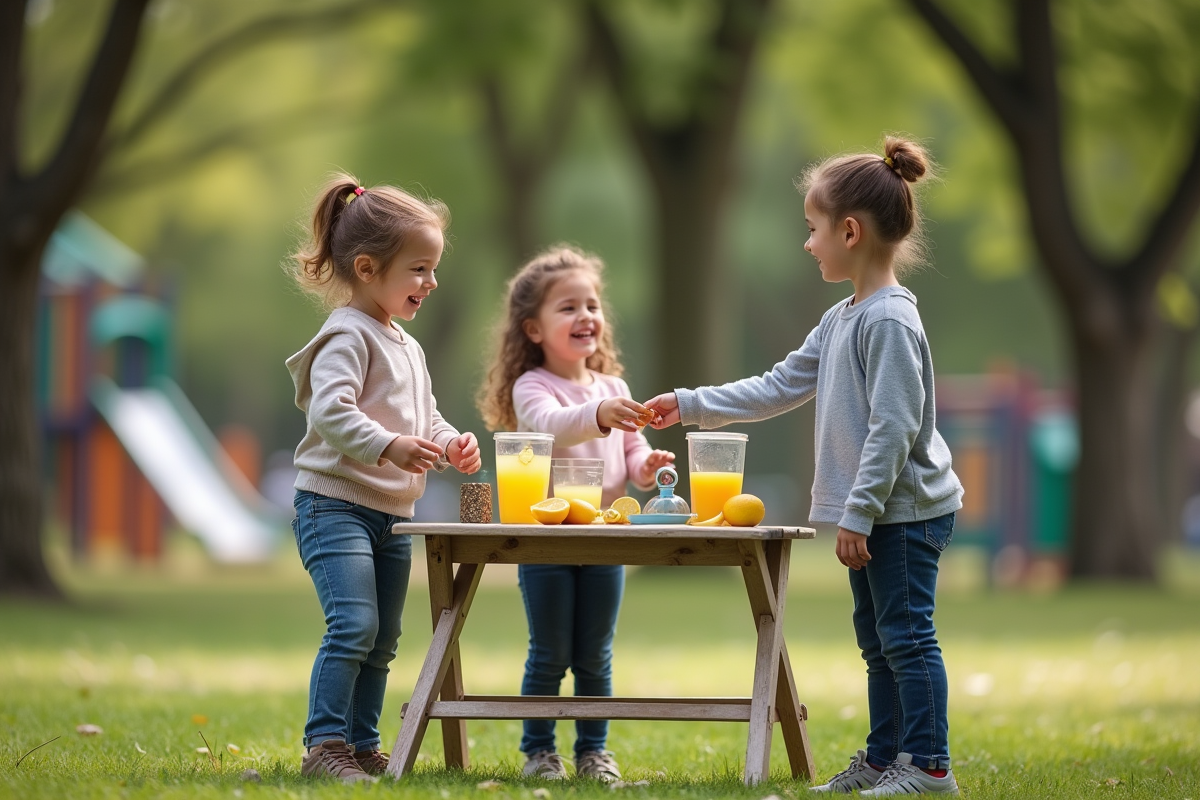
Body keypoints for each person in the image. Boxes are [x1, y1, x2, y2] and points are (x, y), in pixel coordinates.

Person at [646, 137, 964, 795]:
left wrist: (858, 512)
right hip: (876, 514)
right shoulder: (842, 318)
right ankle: (884, 761)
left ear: (850, 231)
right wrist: (686, 404)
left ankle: (929, 767)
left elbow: (894, 429)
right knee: (879, 643)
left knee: (906, 638)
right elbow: (775, 387)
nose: (807, 243)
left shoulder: (890, 321)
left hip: (903, 512)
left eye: (813, 229)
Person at [286, 175, 482, 782]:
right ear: (368, 268)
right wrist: (390, 445)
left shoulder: (407, 344)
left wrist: (447, 440)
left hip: (392, 513)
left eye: (434, 268)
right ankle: (324, 746)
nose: (431, 281)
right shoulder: (347, 333)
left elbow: (424, 413)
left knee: (383, 637)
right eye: (419, 269)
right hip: (333, 505)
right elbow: (331, 411)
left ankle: (364, 745)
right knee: (354, 624)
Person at [477, 245, 674, 781]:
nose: (585, 315)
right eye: (567, 307)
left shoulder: (615, 389)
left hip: (607, 539)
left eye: (591, 305)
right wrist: (601, 416)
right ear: (533, 329)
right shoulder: (532, 386)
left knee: (594, 653)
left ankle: (593, 751)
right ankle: (539, 750)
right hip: (546, 539)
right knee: (549, 650)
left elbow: (630, 453)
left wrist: (647, 463)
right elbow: (551, 426)